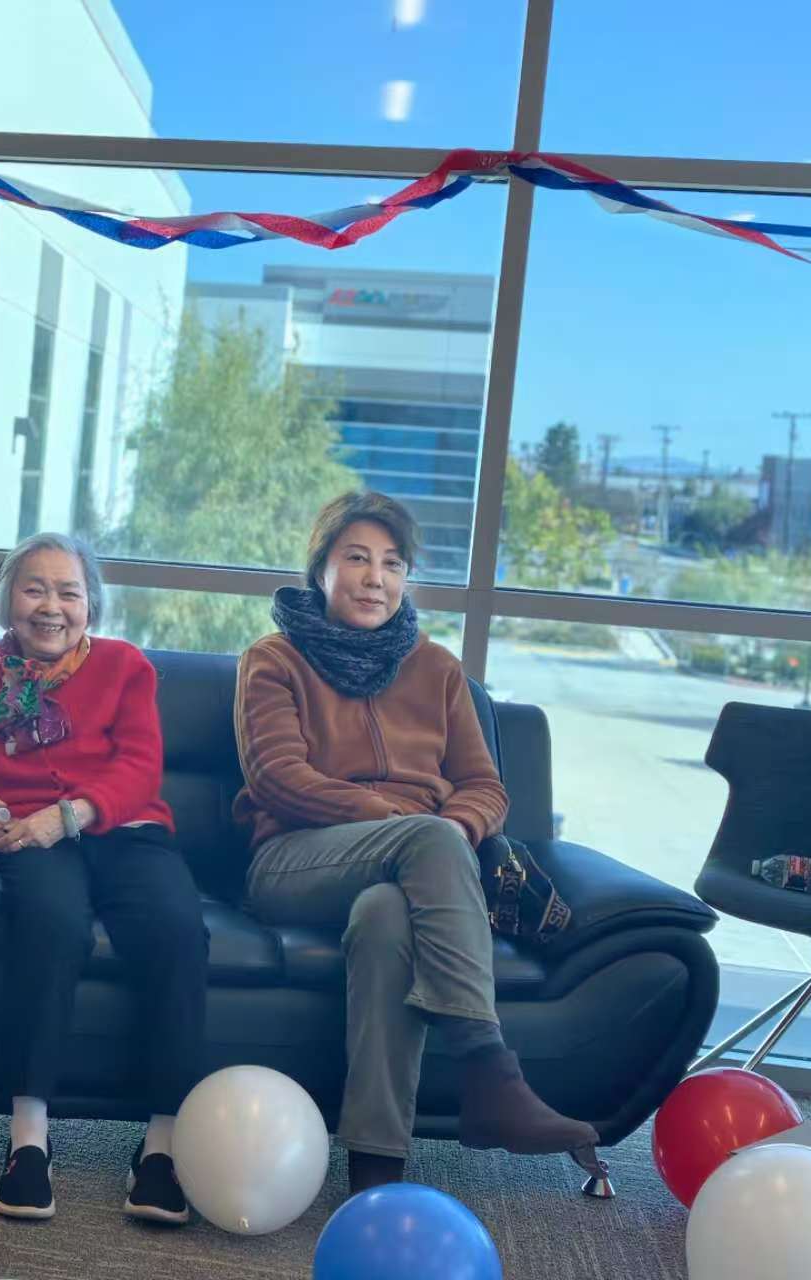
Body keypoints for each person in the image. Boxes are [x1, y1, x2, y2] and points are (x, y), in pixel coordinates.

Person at [233, 490, 599, 1193]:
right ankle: (488, 1071)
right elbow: (278, 777)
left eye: (392, 564)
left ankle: (375, 1167)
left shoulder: (436, 668)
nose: (375, 578)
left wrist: (450, 831)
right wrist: (398, 823)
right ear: (320, 569)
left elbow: (484, 787)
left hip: (412, 868)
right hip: (294, 861)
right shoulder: (273, 659)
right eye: (356, 559)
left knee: (386, 917)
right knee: (427, 840)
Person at [0, 532, 208, 1226]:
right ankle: (28, 1140)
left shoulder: (125, 667)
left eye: (68, 592)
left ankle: (160, 1148)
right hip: (23, 839)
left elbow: (139, 769)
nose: (51, 607)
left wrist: (66, 816)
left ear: (90, 605)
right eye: (34, 589)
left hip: (121, 830)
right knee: (51, 926)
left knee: (178, 930)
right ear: (6, 599)